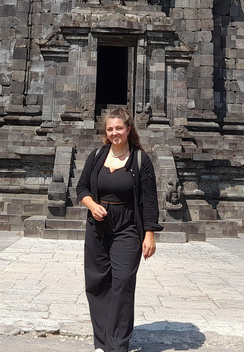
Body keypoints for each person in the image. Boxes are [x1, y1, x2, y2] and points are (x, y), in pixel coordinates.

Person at [76, 107, 163, 352]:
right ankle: (102, 342)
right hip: (98, 226)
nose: (115, 133)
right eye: (110, 129)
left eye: (119, 128)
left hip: (128, 226)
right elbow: (81, 188)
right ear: (106, 132)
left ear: (128, 129)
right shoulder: (95, 156)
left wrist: (149, 234)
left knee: (123, 280)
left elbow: (149, 200)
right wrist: (92, 205)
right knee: (97, 282)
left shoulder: (140, 159)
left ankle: (117, 345)